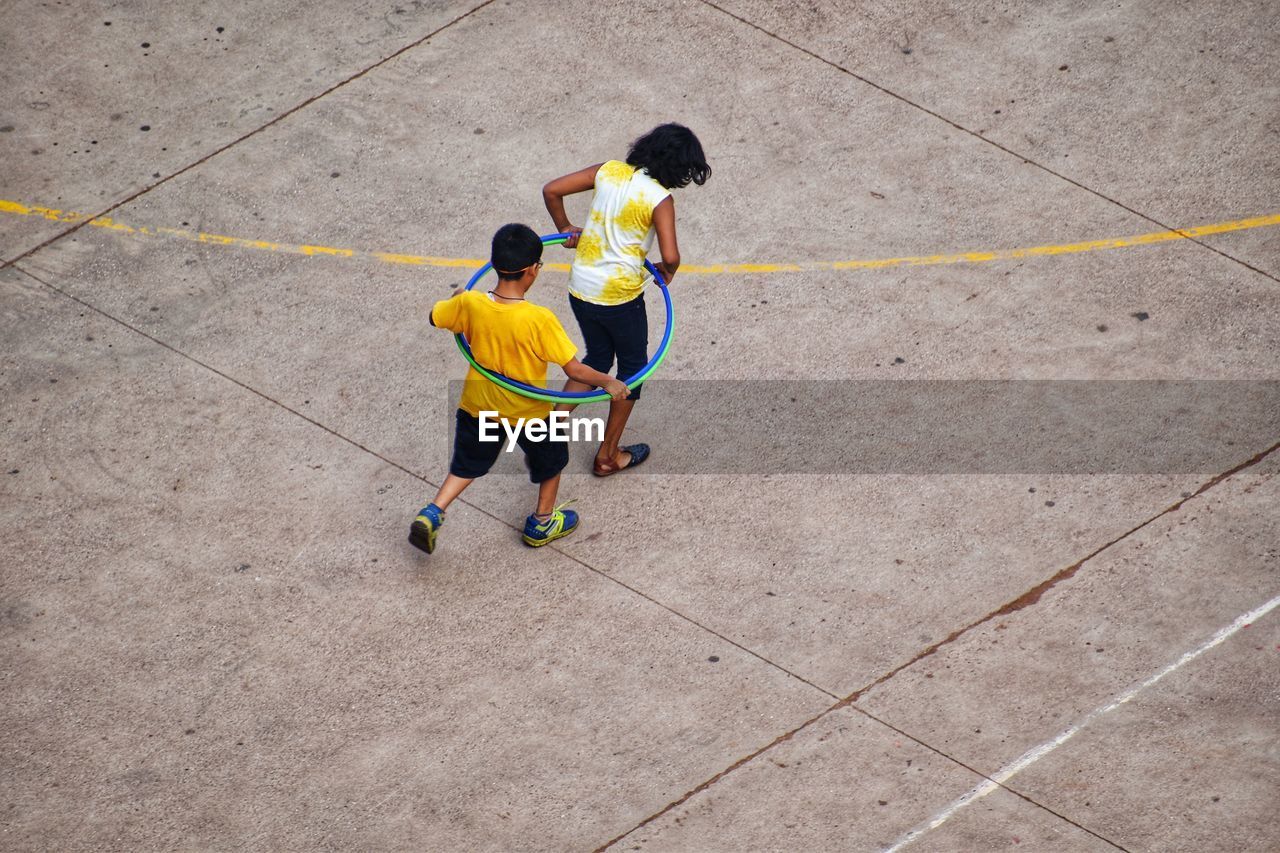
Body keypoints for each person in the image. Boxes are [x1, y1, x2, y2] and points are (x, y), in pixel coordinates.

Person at [410, 224, 628, 554]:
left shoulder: (471, 303)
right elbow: (574, 369)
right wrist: (608, 382)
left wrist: (459, 301)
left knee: (466, 465)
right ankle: (542, 523)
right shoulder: (538, 319)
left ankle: (433, 511)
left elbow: (434, 316)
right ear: (531, 271)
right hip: (528, 414)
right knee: (552, 462)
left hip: (478, 405)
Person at [542, 123, 710, 476]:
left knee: (599, 356)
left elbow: (552, 189)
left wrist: (565, 227)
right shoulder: (660, 199)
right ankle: (608, 455)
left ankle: (550, 426)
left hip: (581, 287)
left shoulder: (609, 171)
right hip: (619, 297)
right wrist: (668, 270)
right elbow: (671, 254)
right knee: (632, 371)